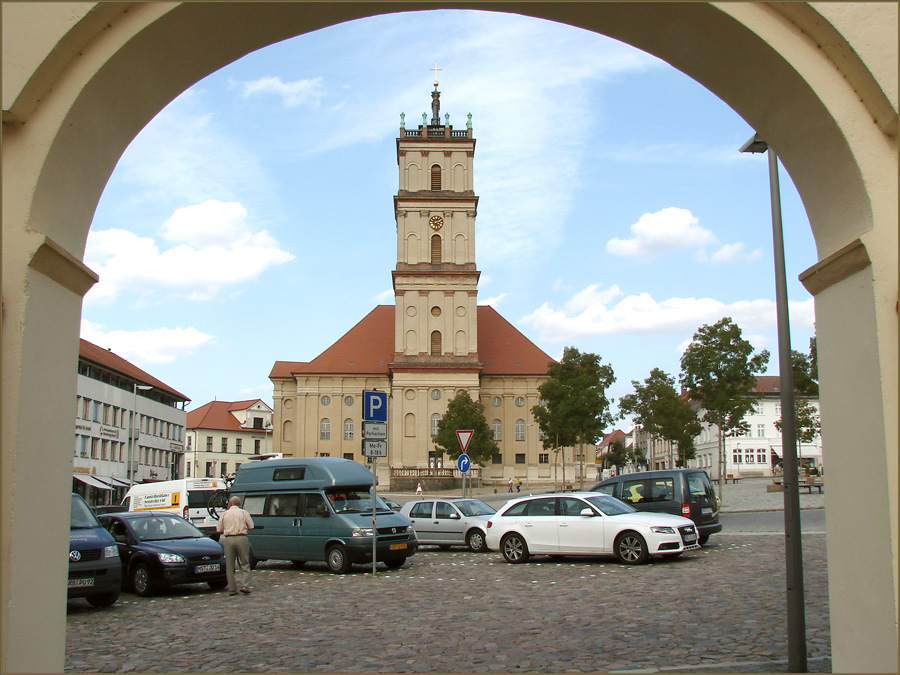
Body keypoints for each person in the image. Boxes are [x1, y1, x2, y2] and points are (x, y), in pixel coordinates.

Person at [216, 495, 254, 596]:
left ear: (230, 503)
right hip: (242, 537)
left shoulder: (225, 514)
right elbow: (251, 526)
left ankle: (232, 588)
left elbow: (219, 529)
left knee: (230, 565)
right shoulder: (244, 513)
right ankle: (245, 586)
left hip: (229, 539)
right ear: (239, 504)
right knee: (245, 562)